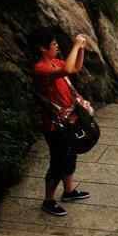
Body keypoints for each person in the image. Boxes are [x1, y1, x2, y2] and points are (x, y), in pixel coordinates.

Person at [29, 27, 91, 217]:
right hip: (55, 125)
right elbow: (66, 69)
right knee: (58, 161)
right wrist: (75, 46)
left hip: (69, 121)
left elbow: (74, 68)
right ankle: (49, 200)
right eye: (53, 43)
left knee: (71, 155)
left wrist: (80, 50)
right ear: (42, 48)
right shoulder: (40, 68)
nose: (57, 46)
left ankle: (69, 191)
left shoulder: (55, 61)